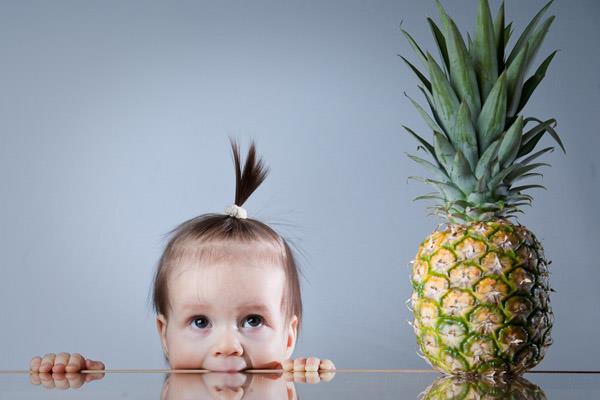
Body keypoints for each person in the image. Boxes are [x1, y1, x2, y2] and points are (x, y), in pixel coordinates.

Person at [29, 139, 335, 374]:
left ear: (288, 339)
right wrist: (73, 376)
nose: (228, 347)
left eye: (253, 320)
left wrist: (304, 376)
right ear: (165, 335)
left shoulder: (286, 388)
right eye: (200, 321)